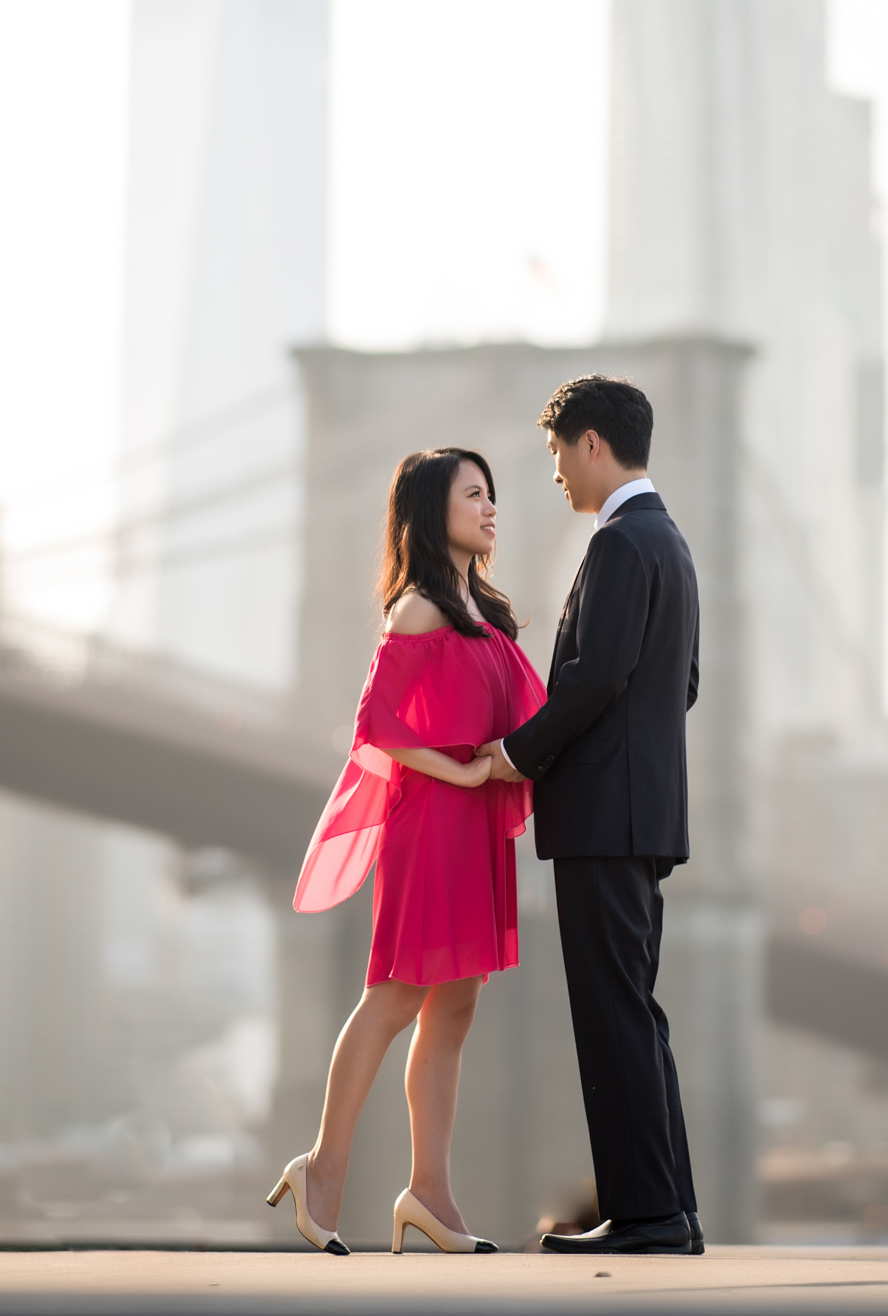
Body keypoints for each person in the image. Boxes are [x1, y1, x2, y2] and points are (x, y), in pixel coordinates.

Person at [267, 448, 546, 1256]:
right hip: (431, 822)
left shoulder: (481, 608)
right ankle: (322, 1167)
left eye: (492, 495)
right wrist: (462, 770)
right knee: (394, 995)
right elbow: (379, 726)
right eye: (473, 494)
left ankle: (429, 1191)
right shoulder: (419, 608)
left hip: (473, 824)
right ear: (432, 510)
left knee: (455, 1006)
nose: (490, 508)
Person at [478, 375, 704, 1256]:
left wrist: (518, 752)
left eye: (557, 453)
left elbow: (593, 677)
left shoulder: (617, 542)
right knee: (634, 1011)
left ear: (593, 444)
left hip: (604, 818)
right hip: (643, 816)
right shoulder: (669, 541)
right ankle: (670, 1208)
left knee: (612, 1015)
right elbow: (681, 685)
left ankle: (646, 1215)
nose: (556, 473)